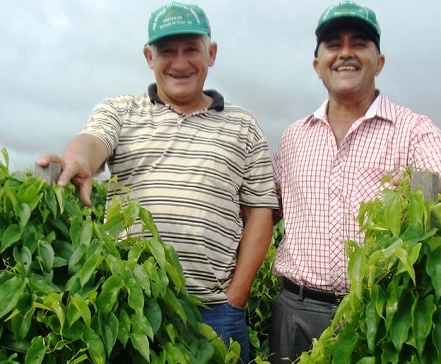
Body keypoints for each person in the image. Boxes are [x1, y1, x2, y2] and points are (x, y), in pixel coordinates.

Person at [37, 2, 278, 362]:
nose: (180, 63)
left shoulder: (243, 125)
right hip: (132, 306)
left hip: (214, 312)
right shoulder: (121, 111)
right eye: (167, 51)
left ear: (211, 53)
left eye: (191, 49)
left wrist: (235, 298)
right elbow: (93, 142)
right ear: (149, 56)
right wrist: (77, 160)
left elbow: (260, 212)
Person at [268, 1, 441, 362]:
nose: (345, 53)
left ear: (379, 61)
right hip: (296, 309)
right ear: (317, 65)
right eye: (333, 45)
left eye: (358, 43)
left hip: (375, 308)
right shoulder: (293, 137)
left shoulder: (412, 129)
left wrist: (411, 191)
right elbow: (269, 212)